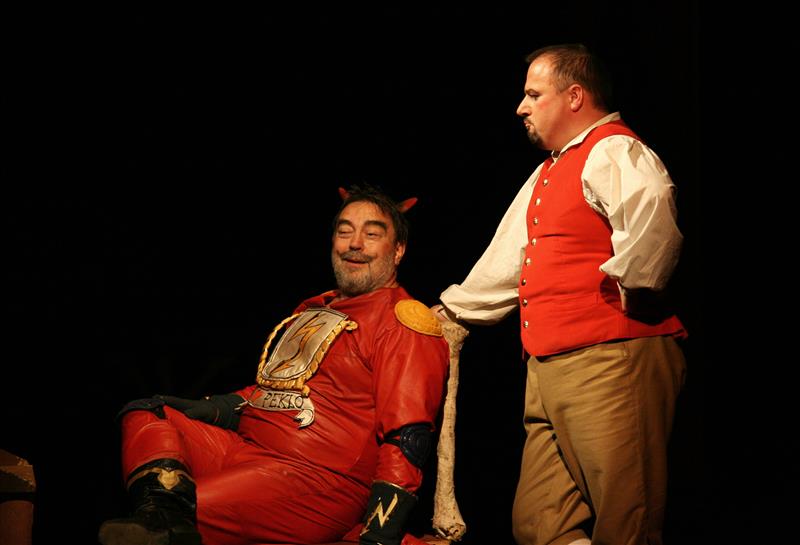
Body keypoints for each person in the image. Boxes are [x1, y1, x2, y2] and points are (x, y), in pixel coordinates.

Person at [434, 44, 687, 545]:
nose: (521, 107)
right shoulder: (551, 169)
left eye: (534, 94)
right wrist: (454, 310)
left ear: (574, 96)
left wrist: (631, 289)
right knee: (539, 523)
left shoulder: (613, 149)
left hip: (611, 358)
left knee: (626, 522)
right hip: (547, 366)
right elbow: (511, 259)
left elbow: (652, 217)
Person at [99, 184, 450, 545]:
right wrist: (219, 407)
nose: (355, 243)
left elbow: (408, 438)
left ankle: (166, 523)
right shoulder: (315, 309)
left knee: (180, 515)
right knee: (146, 414)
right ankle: (162, 517)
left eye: (372, 234)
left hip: (315, 480)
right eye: (345, 231)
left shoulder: (401, 323)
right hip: (247, 450)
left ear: (398, 250)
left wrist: (381, 531)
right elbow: (275, 391)